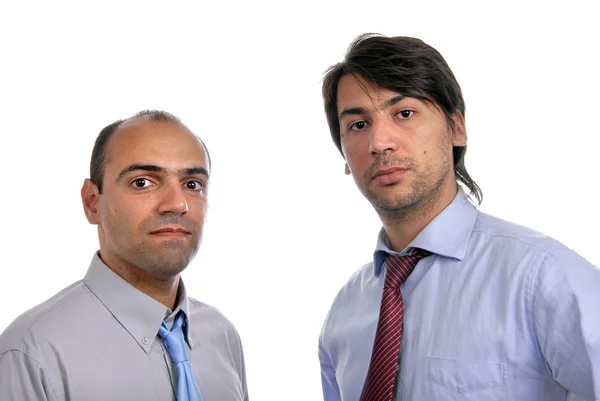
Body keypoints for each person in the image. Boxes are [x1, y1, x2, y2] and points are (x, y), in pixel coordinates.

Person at [318, 34, 600, 401]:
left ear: (456, 128)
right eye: (358, 125)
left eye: (404, 113)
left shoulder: (545, 277)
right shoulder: (342, 315)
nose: (379, 142)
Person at [0, 110, 249, 401]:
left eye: (192, 184)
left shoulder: (223, 337)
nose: (177, 203)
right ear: (92, 202)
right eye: (143, 181)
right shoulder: (32, 355)